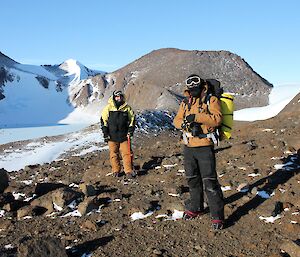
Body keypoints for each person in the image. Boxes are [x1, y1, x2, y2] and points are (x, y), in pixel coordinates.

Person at [173, 74, 225, 230]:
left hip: (204, 145)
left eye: (196, 87)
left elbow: (217, 119)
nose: (193, 90)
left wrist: (197, 117)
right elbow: (176, 120)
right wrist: (184, 124)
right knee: (192, 179)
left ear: (202, 86)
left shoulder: (211, 100)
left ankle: (217, 216)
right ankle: (196, 207)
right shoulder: (185, 102)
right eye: (190, 88)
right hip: (188, 145)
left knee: (209, 181)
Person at [101, 90, 136, 179]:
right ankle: (116, 170)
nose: (118, 98)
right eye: (116, 97)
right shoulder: (108, 108)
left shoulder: (127, 108)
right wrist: (105, 133)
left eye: (120, 96)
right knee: (114, 154)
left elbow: (132, 119)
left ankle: (128, 171)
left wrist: (131, 130)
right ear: (113, 97)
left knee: (127, 153)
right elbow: (103, 120)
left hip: (124, 136)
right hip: (112, 136)